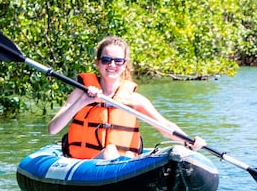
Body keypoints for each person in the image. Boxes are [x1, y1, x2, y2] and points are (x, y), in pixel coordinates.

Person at [48, 35, 205, 159]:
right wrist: (83, 101)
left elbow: (165, 126)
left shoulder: (134, 100)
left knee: (129, 154)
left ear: (124, 65)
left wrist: (189, 141)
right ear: (97, 63)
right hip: (86, 165)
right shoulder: (80, 93)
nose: (112, 65)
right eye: (106, 60)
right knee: (110, 151)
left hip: (124, 165)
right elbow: (53, 129)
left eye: (118, 61)